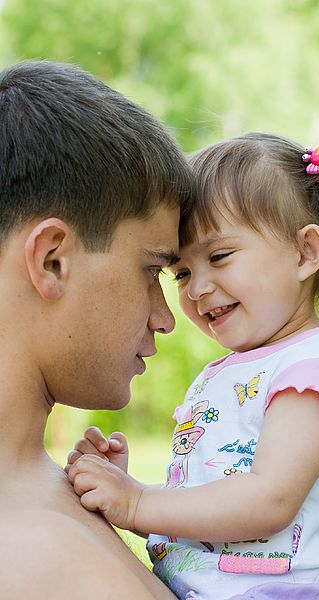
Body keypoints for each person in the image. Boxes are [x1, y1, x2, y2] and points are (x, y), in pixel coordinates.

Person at [67, 134, 319, 600]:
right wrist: (126, 490)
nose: (196, 289)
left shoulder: (312, 371)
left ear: (305, 253)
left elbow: (268, 501)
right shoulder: (227, 373)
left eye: (219, 257)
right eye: (180, 272)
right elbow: (207, 531)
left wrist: (139, 502)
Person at [0, 59, 194, 599]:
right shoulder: (28, 557)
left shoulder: (62, 490)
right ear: (53, 260)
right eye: (152, 270)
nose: (166, 317)